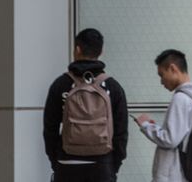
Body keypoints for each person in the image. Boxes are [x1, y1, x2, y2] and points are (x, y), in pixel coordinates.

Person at [43, 28, 128, 182]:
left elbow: (50, 130)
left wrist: (56, 161)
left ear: (77, 49)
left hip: (67, 163)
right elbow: (121, 134)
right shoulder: (113, 87)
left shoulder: (60, 85)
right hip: (102, 165)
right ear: (101, 51)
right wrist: (113, 166)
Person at [135, 49, 192, 182]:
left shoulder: (181, 99)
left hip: (172, 174)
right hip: (183, 173)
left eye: (162, 74)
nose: (161, 81)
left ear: (173, 69)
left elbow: (170, 140)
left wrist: (146, 125)